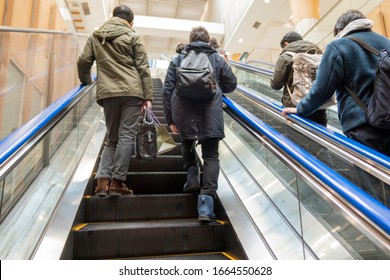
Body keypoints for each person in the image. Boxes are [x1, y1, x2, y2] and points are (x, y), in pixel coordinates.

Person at [282, 10, 390, 157]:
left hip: (363, 127)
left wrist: (300, 108)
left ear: (339, 30)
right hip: (388, 119)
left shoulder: (339, 46)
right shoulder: (385, 41)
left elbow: (321, 90)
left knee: (372, 176)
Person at [77, 5, 153, 197]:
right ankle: (118, 182)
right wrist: (148, 96)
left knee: (112, 138)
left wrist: (86, 81)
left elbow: (83, 61)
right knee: (126, 135)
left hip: (108, 93)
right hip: (132, 92)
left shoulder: (96, 36)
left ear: (113, 17)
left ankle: (102, 183)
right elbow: (143, 68)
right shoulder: (133, 36)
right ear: (131, 22)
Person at [162, 26, 237, 222]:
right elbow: (231, 84)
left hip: (183, 111)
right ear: (207, 40)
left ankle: (192, 176)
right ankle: (205, 205)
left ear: (190, 39)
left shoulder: (178, 58)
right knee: (211, 156)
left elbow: (167, 89)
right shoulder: (217, 58)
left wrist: (170, 119)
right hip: (210, 112)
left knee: (187, 142)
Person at [270, 31, 328, 126]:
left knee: (297, 138)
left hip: (294, 108)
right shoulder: (318, 53)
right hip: (318, 106)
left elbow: (275, 84)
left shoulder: (286, 56)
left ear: (286, 44)